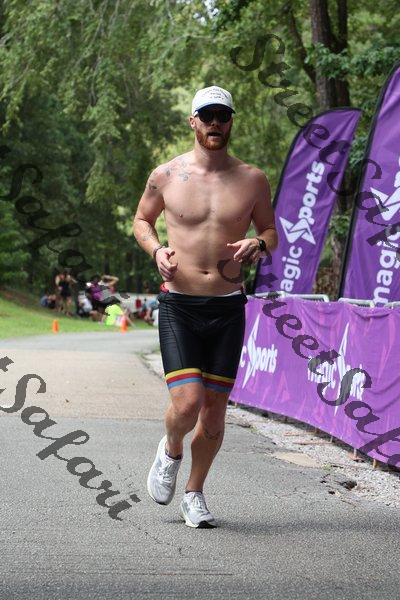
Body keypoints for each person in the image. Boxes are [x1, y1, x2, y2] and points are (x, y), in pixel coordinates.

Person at [133, 85, 278, 528]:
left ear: (231, 121)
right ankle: (171, 448)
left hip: (228, 308)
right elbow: (142, 220)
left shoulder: (253, 179)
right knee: (187, 404)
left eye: (223, 115)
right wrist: (156, 250)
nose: (215, 123)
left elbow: (271, 232)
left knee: (214, 413)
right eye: (207, 115)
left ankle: (194, 493)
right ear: (192, 121)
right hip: (180, 305)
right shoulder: (166, 175)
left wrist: (258, 244)